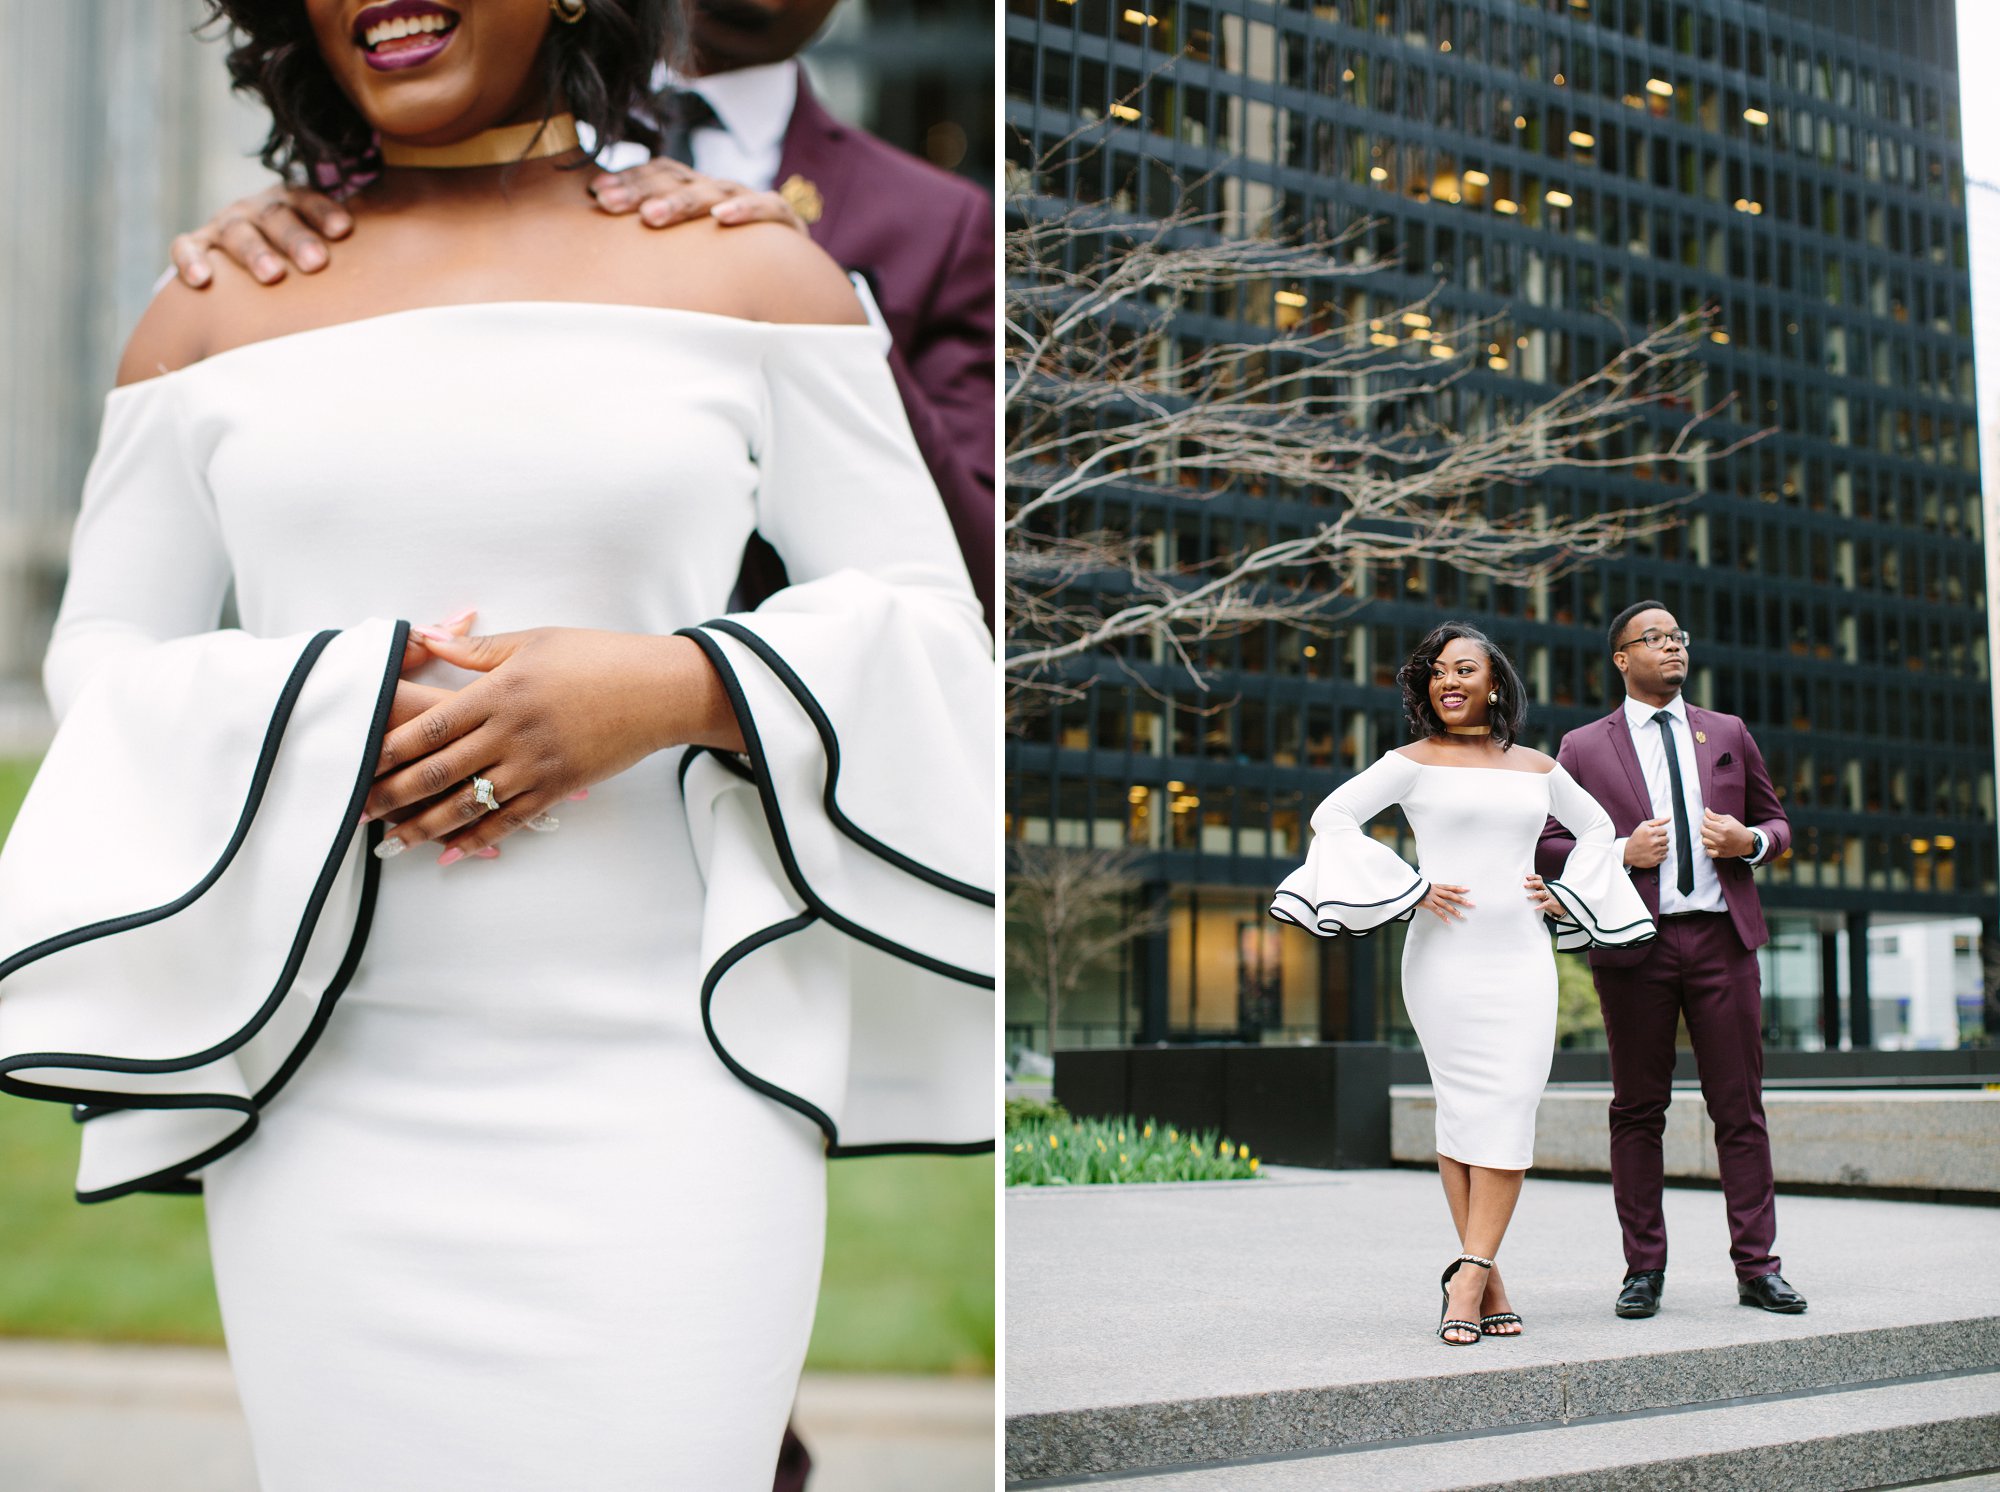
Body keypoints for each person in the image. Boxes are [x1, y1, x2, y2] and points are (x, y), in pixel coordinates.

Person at [0, 3, 993, 1489]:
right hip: (330, 1089)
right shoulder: (209, 303)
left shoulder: (750, 270)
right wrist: (328, 713)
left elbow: (933, 632)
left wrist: (672, 687)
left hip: (676, 1084)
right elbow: (100, 660)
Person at [168, 0, 997, 626]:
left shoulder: (936, 220)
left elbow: (974, 570)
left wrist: (829, 314)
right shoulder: (453, 113)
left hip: (774, 777)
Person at [1272, 624, 1652, 1346]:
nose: (1449, 681)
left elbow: (1601, 828)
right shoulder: (1409, 762)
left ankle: (1470, 1273)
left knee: (1509, 1105)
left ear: (1495, 684)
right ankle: (1483, 1275)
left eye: (1465, 670)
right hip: (1442, 958)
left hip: (1521, 957)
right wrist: (1408, 887)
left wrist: (1568, 894)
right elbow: (1332, 818)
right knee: (1462, 1112)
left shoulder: (1538, 767)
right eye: (1438, 672)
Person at [1535, 602, 1805, 1319]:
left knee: (1740, 1111)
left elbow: (1778, 825)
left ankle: (1758, 1267)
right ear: (1622, 658)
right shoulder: (1584, 746)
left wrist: (1746, 841)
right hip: (1635, 945)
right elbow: (1549, 844)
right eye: (1653, 639)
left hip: (1723, 942)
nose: (1672, 647)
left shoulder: (1728, 732)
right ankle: (1642, 1271)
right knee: (1637, 1109)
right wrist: (1622, 852)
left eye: (1678, 637)